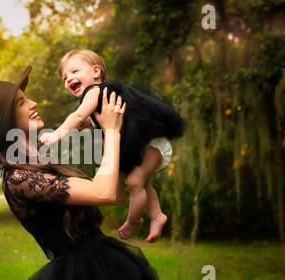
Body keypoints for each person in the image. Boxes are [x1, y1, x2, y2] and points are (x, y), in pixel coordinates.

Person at [0, 66, 169, 280]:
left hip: (104, 259)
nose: (33, 103)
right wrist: (112, 131)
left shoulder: (42, 160)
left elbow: (115, 195)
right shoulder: (18, 177)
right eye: (21, 103)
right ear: (5, 123)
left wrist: (108, 132)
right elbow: (103, 193)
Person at [39, 49, 186, 242]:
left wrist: (57, 134)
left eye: (74, 72)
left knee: (135, 182)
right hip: (140, 147)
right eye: (65, 78)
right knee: (140, 182)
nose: (69, 79)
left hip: (152, 144)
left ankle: (134, 221)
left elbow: (78, 116)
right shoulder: (103, 97)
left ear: (96, 72)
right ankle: (157, 215)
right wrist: (86, 124)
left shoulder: (95, 92)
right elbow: (93, 120)